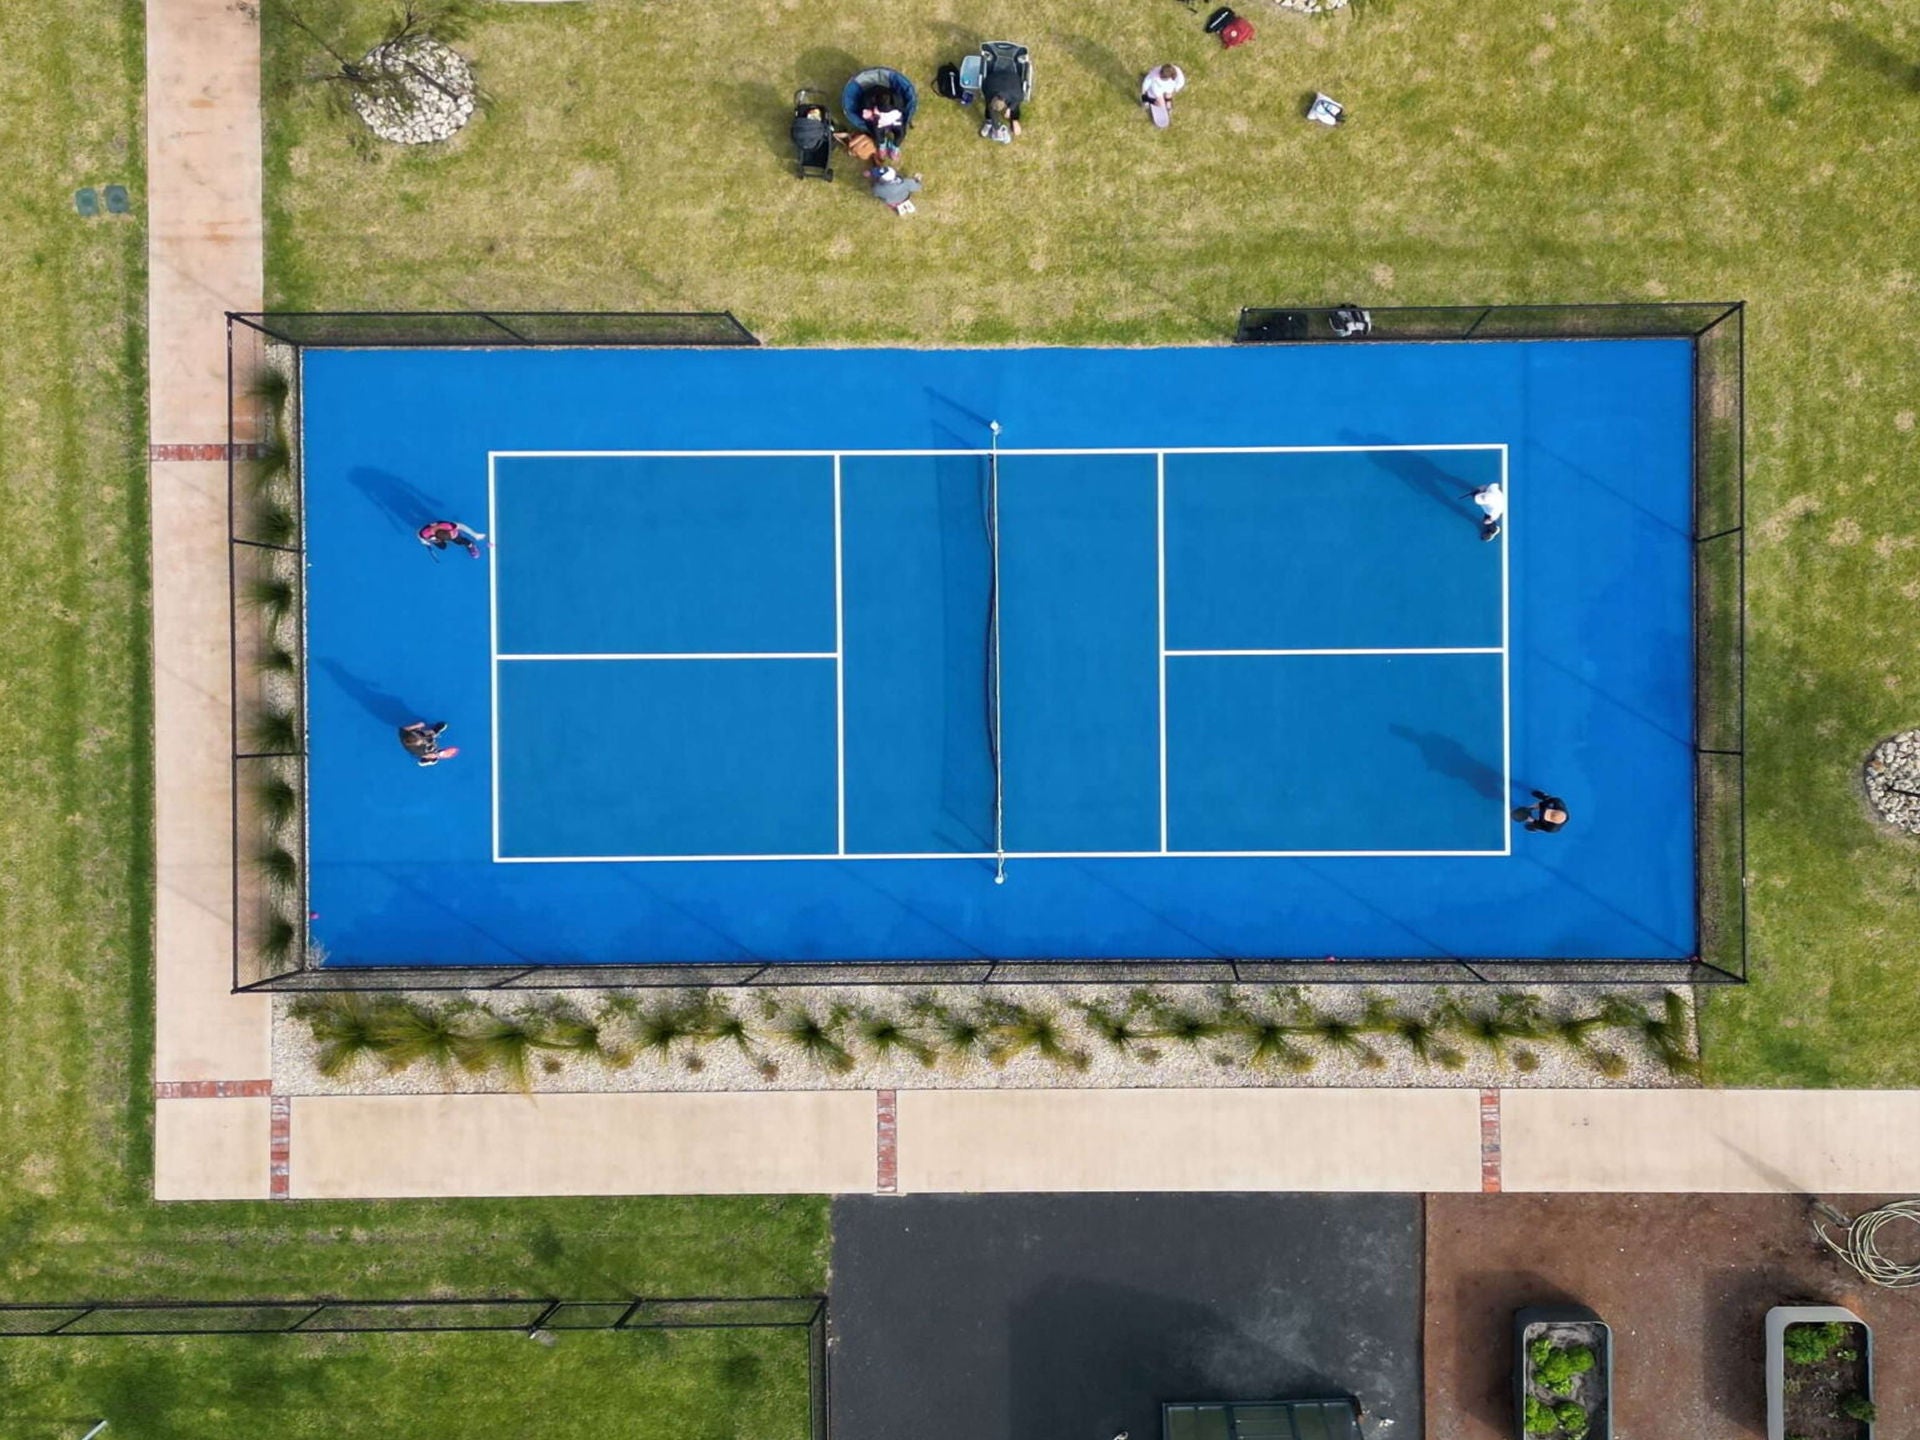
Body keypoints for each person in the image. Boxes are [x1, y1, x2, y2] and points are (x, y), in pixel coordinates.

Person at [418, 519, 486, 558]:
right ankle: (442, 542)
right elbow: (419, 534)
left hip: (445, 532)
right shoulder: (426, 533)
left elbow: (462, 526)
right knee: (443, 547)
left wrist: (475, 534)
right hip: (435, 537)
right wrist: (423, 541)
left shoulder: (448, 526)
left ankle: (471, 545)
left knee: (459, 541)